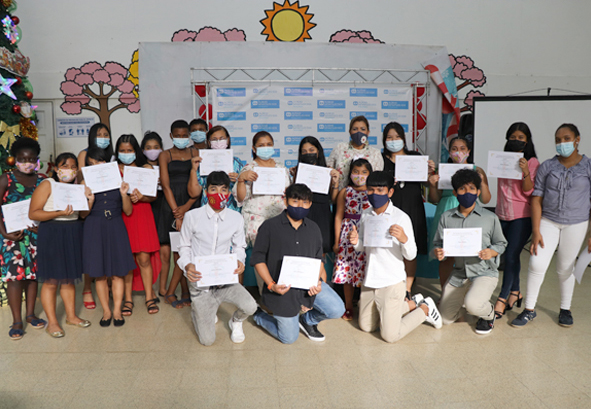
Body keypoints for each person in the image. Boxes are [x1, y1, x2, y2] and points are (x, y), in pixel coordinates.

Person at [347, 171, 442, 342]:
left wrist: (404, 239)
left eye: (380, 190)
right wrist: (355, 241)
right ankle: (411, 304)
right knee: (366, 326)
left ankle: (425, 309)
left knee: (390, 336)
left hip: (392, 281)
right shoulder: (366, 214)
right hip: (370, 280)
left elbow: (411, 254)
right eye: (371, 190)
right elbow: (362, 247)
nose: (375, 194)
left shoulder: (401, 217)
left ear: (390, 192)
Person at [512, 124, 591, 328]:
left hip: (577, 223)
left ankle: (565, 309)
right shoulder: (547, 166)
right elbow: (536, 198)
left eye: (566, 138)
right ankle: (529, 309)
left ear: (577, 140)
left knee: (565, 267)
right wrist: (536, 230)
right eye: (558, 140)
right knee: (536, 263)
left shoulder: (588, 166)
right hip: (548, 221)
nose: (562, 143)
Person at [251, 184, 345, 344]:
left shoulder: (314, 228)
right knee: (288, 338)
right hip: (281, 288)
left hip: (308, 286)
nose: (300, 206)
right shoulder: (269, 226)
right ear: (285, 200)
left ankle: (307, 321)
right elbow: (258, 259)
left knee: (337, 309)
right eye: (295, 201)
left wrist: (317, 283)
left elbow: (319, 260)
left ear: (310, 204)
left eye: (305, 203)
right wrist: (271, 285)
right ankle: (259, 316)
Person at [178, 171, 257, 345]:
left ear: (228, 193)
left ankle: (235, 321)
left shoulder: (236, 218)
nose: (218, 193)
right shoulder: (192, 216)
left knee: (251, 306)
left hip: (225, 280)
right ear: (206, 191)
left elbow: (239, 246)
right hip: (201, 283)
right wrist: (187, 265)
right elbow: (184, 246)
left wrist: (240, 260)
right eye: (213, 189)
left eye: (223, 189)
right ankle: (200, 310)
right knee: (207, 341)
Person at [433, 169, 507, 335]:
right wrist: (438, 251)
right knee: (445, 318)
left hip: (484, 272)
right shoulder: (446, 217)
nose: (467, 193)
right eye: (462, 189)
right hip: (459, 274)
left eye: (472, 188)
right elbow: (437, 243)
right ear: (455, 193)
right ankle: (470, 300)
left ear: (478, 192)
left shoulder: (489, 217)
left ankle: (488, 313)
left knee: (473, 305)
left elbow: (501, 243)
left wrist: (492, 252)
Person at [29, 153, 93, 337]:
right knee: (51, 281)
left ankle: (71, 316)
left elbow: (82, 215)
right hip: (52, 232)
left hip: (72, 232)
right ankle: (53, 323)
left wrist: (89, 200)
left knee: (69, 278)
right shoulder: (48, 184)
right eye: (65, 166)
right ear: (56, 168)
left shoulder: (77, 188)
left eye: (73, 167)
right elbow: (33, 213)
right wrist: (57, 213)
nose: (69, 171)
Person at [82, 147, 136, 328]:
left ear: (107, 162)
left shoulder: (119, 180)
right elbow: (82, 215)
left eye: (99, 161)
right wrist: (89, 200)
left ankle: (117, 310)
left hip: (115, 225)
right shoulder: (84, 183)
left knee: (118, 272)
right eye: (91, 163)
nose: (96, 166)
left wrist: (124, 194)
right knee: (100, 274)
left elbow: (128, 211)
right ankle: (106, 311)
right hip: (94, 226)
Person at [427, 136, 491, 289]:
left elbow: (486, 199)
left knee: (470, 254)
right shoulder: (442, 171)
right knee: (447, 256)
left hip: (470, 214)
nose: (458, 152)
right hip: (446, 212)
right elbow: (434, 199)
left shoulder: (477, 170)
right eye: (454, 149)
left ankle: (469, 292)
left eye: (462, 149)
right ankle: (445, 294)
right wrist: (433, 185)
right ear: (449, 152)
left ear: (468, 151)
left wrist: (482, 181)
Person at [381, 122, 435, 295]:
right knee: (390, 245)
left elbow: (426, 183)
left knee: (410, 246)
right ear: (384, 140)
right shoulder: (381, 160)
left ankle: (408, 288)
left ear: (403, 139)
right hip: (391, 208)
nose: (393, 141)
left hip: (413, 206)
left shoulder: (415, 157)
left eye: (397, 137)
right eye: (389, 137)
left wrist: (428, 173)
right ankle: (391, 282)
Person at [0, 138, 45, 340]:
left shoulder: (42, 181)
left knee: (33, 276)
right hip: (11, 237)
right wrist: (4, 233)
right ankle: (17, 320)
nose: (27, 163)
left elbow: (47, 208)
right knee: (15, 278)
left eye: (31, 159)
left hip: (35, 236)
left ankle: (31, 314)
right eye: (22, 159)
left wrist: (41, 226)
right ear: (15, 160)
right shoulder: (6, 179)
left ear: (37, 160)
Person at [493, 123, 539, 318]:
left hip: (522, 216)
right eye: (513, 137)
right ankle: (515, 292)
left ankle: (502, 298)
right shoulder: (501, 159)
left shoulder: (532, 162)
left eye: (521, 137)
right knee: (511, 255)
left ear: (527, 141)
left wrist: (525, 170)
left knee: (511, 255)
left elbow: (529, 191)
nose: (516, 140)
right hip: (501, 213)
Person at [235, 131, 291, 292]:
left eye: (268, 144)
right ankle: (266, 292)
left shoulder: (281, 168)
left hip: (280, 216)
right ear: (254, 148)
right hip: (257, 219)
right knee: (263, 255)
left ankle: (283, 290)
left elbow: (288, 193)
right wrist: (241, 179)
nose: (265, 148)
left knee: (282, 254)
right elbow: (240, 198)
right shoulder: (249, 169)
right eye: (261, 145)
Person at [116, 134, 161, 316]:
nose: (126, 154)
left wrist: (143, 197)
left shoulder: (146, 168)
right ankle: (128, 299)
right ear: (117, 152)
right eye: (122, 150)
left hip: (142, 214)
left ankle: (149, 296)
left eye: (130, 150)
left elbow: (154, 196)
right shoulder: (113, 170)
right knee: (127, 260)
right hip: (122, 217)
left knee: (144, 258)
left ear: (136, 151)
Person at [157, 119, 199, 308]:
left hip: (192, 203)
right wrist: (177, 213)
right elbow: (165, 186)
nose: (181, 138)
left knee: (191, 249)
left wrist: (187, 207)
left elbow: (199, 182)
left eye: (184, 135)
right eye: (177, 135)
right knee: (178, 252)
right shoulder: (165, 155)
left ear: (189, 136)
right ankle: (174, 291)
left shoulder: (195, 153)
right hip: (171, 205)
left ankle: (185, 291)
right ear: (171, 136)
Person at [77, 123, 114, 311]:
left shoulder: (112, 156)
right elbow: (80, 178)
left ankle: (109, 286)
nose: (103, 138)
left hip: (109, 207)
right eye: (99, 134)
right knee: (91, 252)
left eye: (106, 134)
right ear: (92, 136)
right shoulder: (84, 154)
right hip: (90, 204)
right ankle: (87, 288)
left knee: (108, 250)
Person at [332, 159, 372, 320]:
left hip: (367, 233)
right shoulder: (345, 191)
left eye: (364, 172)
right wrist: (336, 241)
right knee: (348, 271)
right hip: (347, 234)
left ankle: (365, 306)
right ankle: (348, 306)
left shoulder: (373, 191)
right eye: (356, 171)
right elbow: (338, 217)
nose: (359, 175)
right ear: (350, 173)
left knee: (366, 269)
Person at [293, 136, 340, 254]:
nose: (308, 154)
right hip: (303, 212)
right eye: (304, 151)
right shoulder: (297, 171)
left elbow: (334, 200)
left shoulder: (328, 171)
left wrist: (335, 182)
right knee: (303, 248)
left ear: (318, 151)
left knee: (322, 248)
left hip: (322, 214)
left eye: (311, 150)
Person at [188, 125, 243, 211]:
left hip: (231, 209)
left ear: (228, 140)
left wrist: (239, 180)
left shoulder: (237, 163)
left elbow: (244, 194)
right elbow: (194, 193)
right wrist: (193, 170)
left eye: (222, 138)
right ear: (209, 142)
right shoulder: (202, 162)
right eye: (214, 139)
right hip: (208, 209)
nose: (218, 142)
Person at [141, 131, 168, 296]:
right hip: (146, 208)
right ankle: (149, 288)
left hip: (165, 206)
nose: (153, 151)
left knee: (165, 251)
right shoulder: (139, 168)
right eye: (149, 147)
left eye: (156, 147)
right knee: (147, 253)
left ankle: (162, 288)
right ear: (143, 150)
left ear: (162, 148)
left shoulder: (168, 164)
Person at [327, 115, 384, 191]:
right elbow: (327, 169)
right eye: (355, 129)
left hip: (366, 196)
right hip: (339, 194)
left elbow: (377, 179)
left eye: (362, 129)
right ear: (350, 132)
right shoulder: (340, 148)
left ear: (368, 132)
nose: (359, 132)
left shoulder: (375, 153)